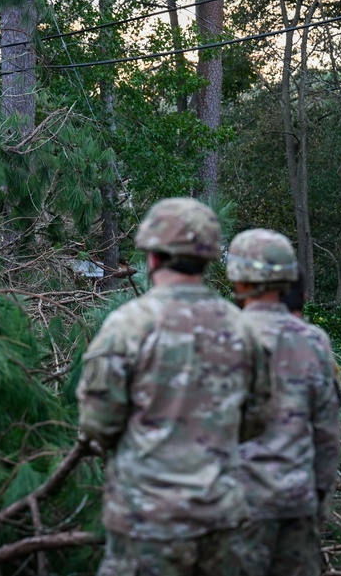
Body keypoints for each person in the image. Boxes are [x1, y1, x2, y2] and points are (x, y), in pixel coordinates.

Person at [76, 197, 269, 576]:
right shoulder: (244, 328)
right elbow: (258, 419)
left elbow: (98, 422)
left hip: (148, 519)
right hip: (222, 518)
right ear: (209, 259)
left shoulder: (127, 325)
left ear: (152, 256)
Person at [227, 228, 341, 576]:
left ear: (239, 278)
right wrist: (318, 499)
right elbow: (327, 432)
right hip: (296, 502)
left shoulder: (223, 335)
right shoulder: (314, 341)